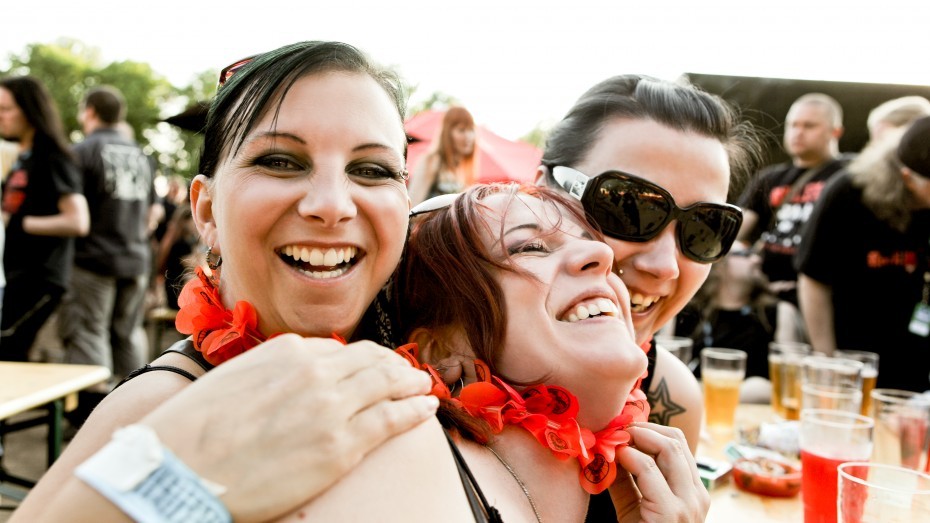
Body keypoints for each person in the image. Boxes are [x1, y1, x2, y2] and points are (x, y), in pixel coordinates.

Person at [9, 40, 433, 521]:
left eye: (373, 170)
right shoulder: (152, 411)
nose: (332, 205)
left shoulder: (452, 361)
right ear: (207, 211)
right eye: (280, 161)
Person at [796, 115, 930, 393]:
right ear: (908, 178)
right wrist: (828, 362)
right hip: (852, 354)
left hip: (914, 362)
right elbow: (813, 279)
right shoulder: (848, 193)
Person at [57, 86, 159, 412]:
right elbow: (154, 213)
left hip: (93, 260)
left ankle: (92, 417)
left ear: (89, 111)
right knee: (128, 334)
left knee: (89, 332)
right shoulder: (142, 156)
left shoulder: (82, 151)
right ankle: (136, 410)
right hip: (136, 258)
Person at [0, 75, 89, 362]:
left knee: (8, 352)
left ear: (29, 110)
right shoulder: (20, 156)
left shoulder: (52, 157)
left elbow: (77, 221)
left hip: (40, 277)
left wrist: (17, 223)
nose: (0, 116)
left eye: (6, 109)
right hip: (14, 274)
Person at [737, 93, 846, 306]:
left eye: (809, 126)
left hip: (821, 291)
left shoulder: (848, 175)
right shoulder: (770, 178)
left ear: (835, 132)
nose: (798, 132)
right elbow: (734, 231)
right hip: (763, 287)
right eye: (793, 125)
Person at [666, 240, 806, 402]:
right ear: (718, 264)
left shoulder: (778, 313)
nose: (756, 260)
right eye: (745, 255)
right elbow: (662, 372)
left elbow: (790, 385)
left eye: (756, 255)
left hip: (755, 414)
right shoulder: (684, 311)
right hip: (690, 408)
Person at [408, 106, 478, 205]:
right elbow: (413, 207)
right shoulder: (431, 161)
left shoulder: (460, 168)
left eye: (471, 129)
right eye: (461, 130)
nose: (468, 136)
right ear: (448, 133)